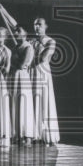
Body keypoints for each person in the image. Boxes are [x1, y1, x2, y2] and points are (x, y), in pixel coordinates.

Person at [31, 16, 60, 144]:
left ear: (45, 26)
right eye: (35, 24)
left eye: (40, 24)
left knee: (43, 100)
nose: (37, 27)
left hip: (42, 72)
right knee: (32, 99)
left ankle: (44, 133)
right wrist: (3, 10)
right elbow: (15, 25)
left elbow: (43, 58)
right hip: (31, 72)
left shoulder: (50, 41)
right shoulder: (31, 41)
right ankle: (32, 133)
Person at [10, 25, 37, 145]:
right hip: (14, 76)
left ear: (25, 33)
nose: (16, 33)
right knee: (15, 103)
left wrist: (14, 62)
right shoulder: (15, 47)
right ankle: (16, 134)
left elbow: (22, 64)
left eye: (19, 31)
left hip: (22, 76)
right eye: (15, 31)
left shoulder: (28, 47)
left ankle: (27, 135)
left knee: (24, 104)